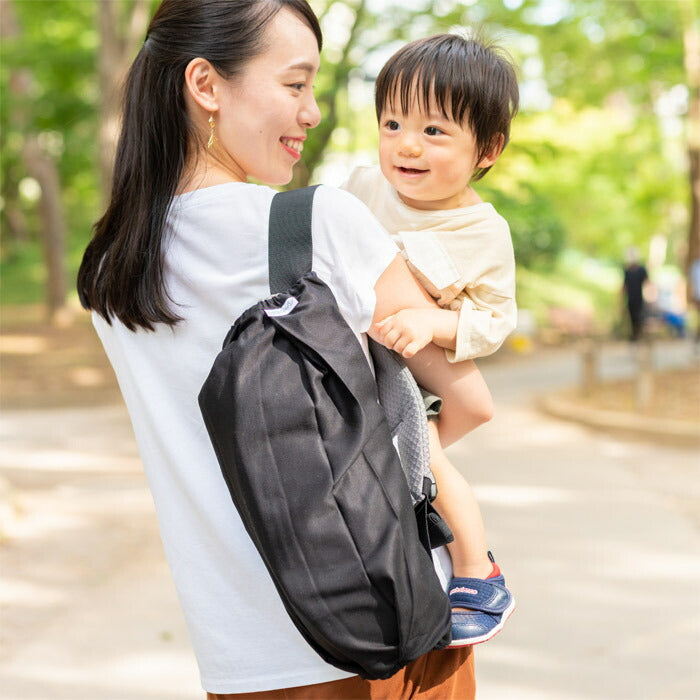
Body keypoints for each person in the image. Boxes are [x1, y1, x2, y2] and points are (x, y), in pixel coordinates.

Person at [77, 1, 493, 697]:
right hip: (390, 626)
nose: (312, 113)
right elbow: (469, 398)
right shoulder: (315, 223)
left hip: (238, 658)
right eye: (295, 85)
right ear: (206, 85)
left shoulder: (111, 270)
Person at [343, 33, 518, 647]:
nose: (406, 145)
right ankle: (408, 475)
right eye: (392, 123)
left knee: (438, 450)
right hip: (373, 357)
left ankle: (479, 570)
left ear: (487, 149)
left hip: (429, 361)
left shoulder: (481, 230)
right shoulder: (361, 189)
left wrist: (433, 324)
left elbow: (495, 321)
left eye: (435, 131)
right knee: (425, 457)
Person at [622, 247, 649, 342]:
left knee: (639, 316)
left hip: (639, 297)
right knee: (632, 317)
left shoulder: (641, 270)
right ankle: (634, 335)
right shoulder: (627, 271)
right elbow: (624, 284)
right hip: (630, 298)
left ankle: (640, 334)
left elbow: (647, 282)